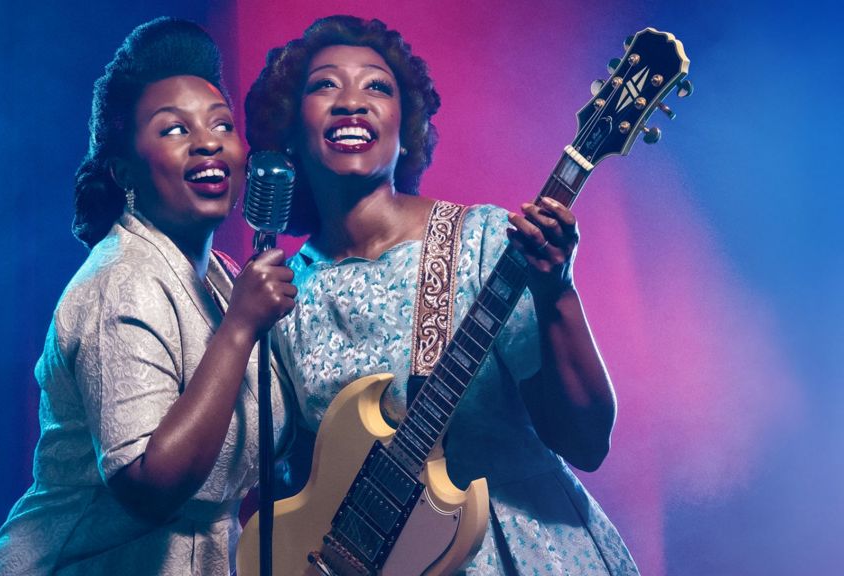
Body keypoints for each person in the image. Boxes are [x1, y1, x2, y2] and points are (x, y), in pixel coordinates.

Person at [245, 15, 638, 575]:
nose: (351, 101)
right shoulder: (284, 298)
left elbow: (586, 442)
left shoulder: (481, 240)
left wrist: (558, 290)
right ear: (289, 128)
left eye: (377, 87)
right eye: (324, 85)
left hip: (521, 554)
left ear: (406, 130)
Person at [0, 17, 296, 575]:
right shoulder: (121, 282)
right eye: (174, 129)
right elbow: (150, 484)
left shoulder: (222, 279)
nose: (206, 142)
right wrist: (240, 328)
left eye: (221, 125)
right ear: (125, 169)